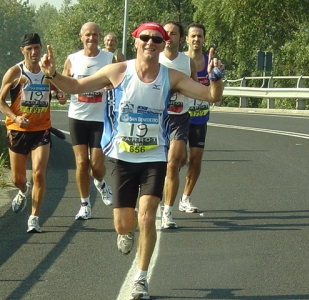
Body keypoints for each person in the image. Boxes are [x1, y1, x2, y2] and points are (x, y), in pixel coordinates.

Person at [39, 21, 224, 299]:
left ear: (163, 46)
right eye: (145, 38)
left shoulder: (170, 77)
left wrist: (217, 77)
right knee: (124, 224)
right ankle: (125, 232)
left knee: (147, 216)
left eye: (157, 39)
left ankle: (141, 279)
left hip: (155, 157)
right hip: (123, 159)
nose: (151, 43)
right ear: (136, 42)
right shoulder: (118, 71)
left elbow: (211, 96)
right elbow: (76, 86)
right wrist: (52, 74)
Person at [0, 33, 66, 233]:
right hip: (17, 130)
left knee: (38, 174)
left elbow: (57, 88)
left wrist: (59, 94)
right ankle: (23, 191)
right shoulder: (15, 73)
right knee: (17, 179)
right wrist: (16, 118)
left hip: (41, 130)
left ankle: (34, 218)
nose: (34, 52)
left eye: (37, 48)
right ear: (23, 51)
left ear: (41, 48)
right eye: (30, 49)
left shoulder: (47, 71)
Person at [62, 22, 115, 220]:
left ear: (100, 37)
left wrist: (112, 89)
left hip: (100, 119)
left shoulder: (109, 58)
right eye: (87, 35)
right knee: (82, 162)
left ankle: (101, 184)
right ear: (80, 37)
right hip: (78, 117)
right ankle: (85, 204)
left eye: (95, 35)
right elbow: (64, 82)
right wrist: (60, 93)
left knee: (97, 167)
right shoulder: (72, 59)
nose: (91, 38)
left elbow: (118, 81)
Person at [158, 21, 198, 229]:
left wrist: (185, 89)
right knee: (156, 165)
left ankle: (167, 212)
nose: (169, 36)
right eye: (166, 33)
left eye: (173, 34)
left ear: (180, 39)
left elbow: (195, 86)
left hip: (179, 117)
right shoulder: (155, 59)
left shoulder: (187, 61)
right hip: (155, 118)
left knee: (173, 164)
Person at [180, 22, 213, 214]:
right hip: (179, 117)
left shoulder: (209, 62)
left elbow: (215, 88)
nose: (196, 39)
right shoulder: (180, 62)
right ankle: (163, 195)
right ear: (186, 39)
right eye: (193, 36)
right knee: (178, 158)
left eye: (199, 36)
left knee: (196, 158)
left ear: (203, 39)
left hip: (200, 118)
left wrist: (216, 76)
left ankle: (185, 198)